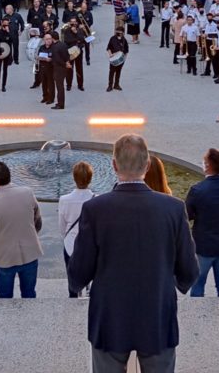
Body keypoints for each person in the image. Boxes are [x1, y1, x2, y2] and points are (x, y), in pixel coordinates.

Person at [67, 135, 198, 372]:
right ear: (147, 166)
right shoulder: (174, 208)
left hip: (110, 314)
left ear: (114, 165)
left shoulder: (95, 209)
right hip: (157, 311)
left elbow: (79, 271)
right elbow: (189, 269)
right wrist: (178, 284)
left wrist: (77, 284)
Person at [0, 161, 42, 299]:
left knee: (4, 297)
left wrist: (1, 244)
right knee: (29, 294)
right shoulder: (28, 192)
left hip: (5, 258)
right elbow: (38, 222)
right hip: (30, 254)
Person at [186, 148, 219, 297]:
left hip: (203, 246)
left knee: (198, 284)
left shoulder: (197, 190)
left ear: (208, 165)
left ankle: (198, 317)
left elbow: (187, 216)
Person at [58, 161, 95, 297]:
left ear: (74, 178)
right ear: (90, 179)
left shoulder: (64, 199)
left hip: (70, 244)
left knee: (72, 279)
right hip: (90, 245)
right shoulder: (96, 199)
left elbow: (61, 226)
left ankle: (73, 297)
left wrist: (66, 236)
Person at [49, 30, 70, 109]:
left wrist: (64, 64)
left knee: (59, 87)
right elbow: (67, 56)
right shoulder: (63, 44)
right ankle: (61, 103)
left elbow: (57, 59)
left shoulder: (54, 47)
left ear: (52, 38)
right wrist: (66, 63)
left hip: (58, 69)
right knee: (60, 86)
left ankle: (60, 104)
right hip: (63, 69)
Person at [105, 28, 129, 92]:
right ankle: (110, 86)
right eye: (118, 32)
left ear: (123, 33)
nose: (119, 34)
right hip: (113, 58)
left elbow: (126, 50)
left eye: (121, 32)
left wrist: (124, 58)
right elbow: (108, 48)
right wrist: (110, 54)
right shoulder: (112, 38)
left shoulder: (124, 40)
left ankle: (116, 85)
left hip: (121, 59)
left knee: (118, 72)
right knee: (112, 72)